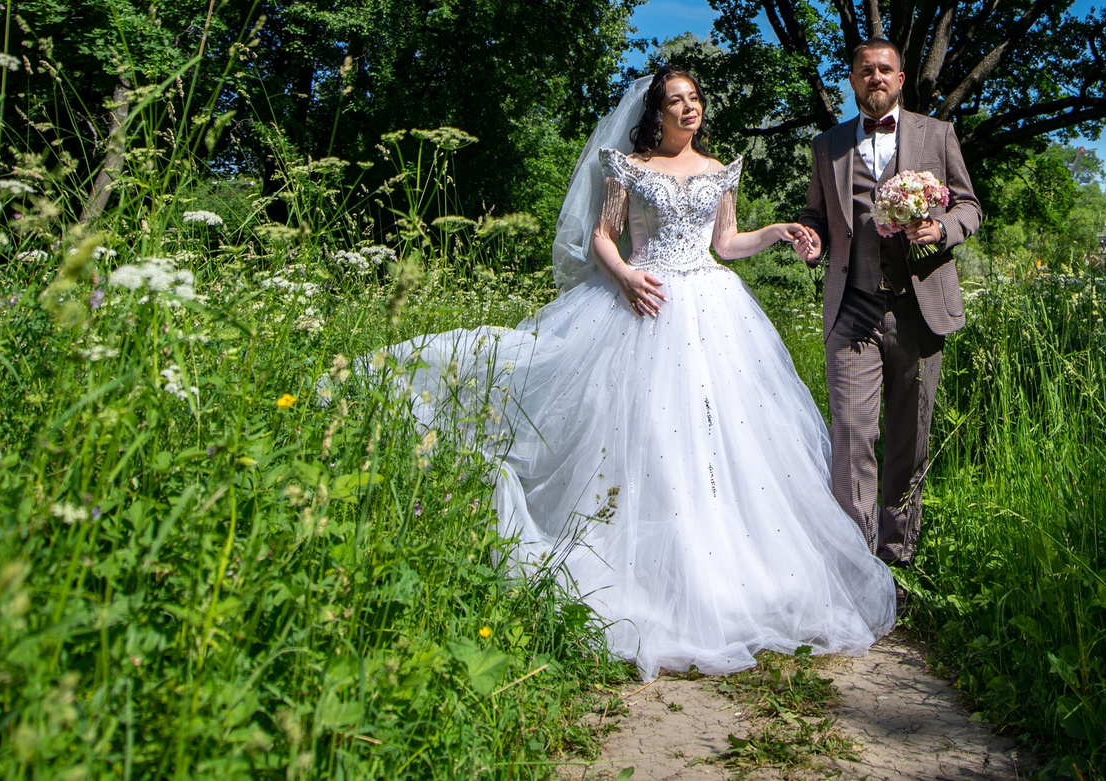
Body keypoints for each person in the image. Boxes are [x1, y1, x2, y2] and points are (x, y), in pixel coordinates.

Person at [358, 66, 894, 677]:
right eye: (676, 101)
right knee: (647, 438)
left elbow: (725, 243)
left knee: (721, 440)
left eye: (694, 99)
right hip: (646, 300)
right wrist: (625, 275)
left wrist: (776, 232)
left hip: (714, 309)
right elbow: (602, 236)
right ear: (656, 113)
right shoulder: (629, 167)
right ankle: (649, 562)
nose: (689, 108)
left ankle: (724, 567)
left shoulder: (719, 170)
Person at [795, 39, 981, 566]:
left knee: (908, 440)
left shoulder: (937, 134)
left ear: (900, 79)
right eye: (865, 70)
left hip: (919, 310)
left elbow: (969, 206)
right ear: (853, 80)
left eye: (885, 69)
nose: (875, 77)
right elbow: (815, 214)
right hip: (852, 307)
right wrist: (812, 238)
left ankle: (897, 562)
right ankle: (856, 567)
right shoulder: (827, 145)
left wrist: (940, 229)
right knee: (852, 436)